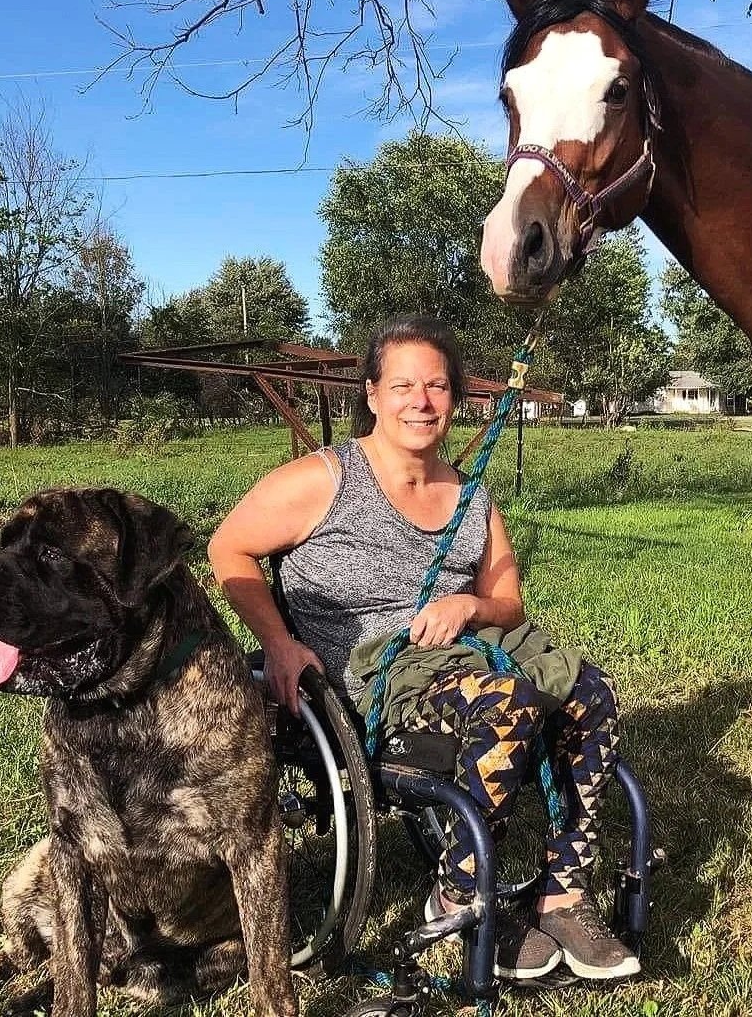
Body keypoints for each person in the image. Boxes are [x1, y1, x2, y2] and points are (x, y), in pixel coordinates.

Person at [208, 314, 639, 982]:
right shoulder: (323, 479)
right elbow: (226, 548)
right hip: (364, 688)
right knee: (506, 699)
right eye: (403, 384)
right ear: (373, 395)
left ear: (454, 398)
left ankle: (563, 891)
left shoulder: (472, 496)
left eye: (436, 385)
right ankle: (459, 893)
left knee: (592, 688)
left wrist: (470, 604)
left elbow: (508, 603)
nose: (421, 400)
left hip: (460, 663)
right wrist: (281, 643)